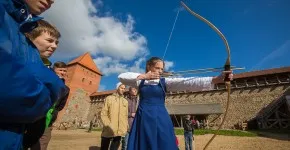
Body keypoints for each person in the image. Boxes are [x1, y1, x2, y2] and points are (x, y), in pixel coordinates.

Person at [118, 57, 233, 150]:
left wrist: (216, 79)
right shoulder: (140, 81)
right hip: (143, 118)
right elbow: (122, 77)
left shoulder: (165, 82)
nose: (160, 71)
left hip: (161, 117)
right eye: (157, 68)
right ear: (149, 66)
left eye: (162, 69)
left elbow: (188, 83)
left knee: (165, 142)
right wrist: (144, 76)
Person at [0, 0, 65, 149]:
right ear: (31, 38)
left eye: (56, 43)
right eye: (49, 40)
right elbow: (12, 91)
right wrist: (52, 87)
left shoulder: (17, 29)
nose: (52, 1)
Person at [100, 83, 129, 150]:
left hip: (120, 130)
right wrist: (108, 124)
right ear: (117, 88)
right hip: (109, 128)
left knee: (114, 148)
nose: (123, 90)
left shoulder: (125, 101)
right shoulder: (109, 98)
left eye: (124, 88)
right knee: (104, 147)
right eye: (121, 88)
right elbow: (103, 113)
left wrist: (125, 126)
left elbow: (125, 115)